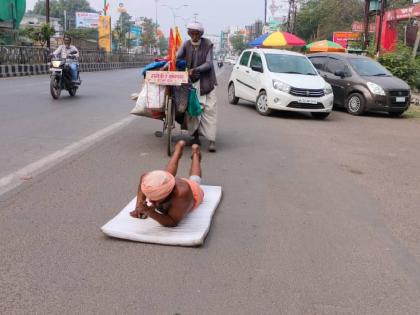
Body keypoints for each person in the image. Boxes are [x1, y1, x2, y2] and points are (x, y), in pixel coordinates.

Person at [130, 141, 204, 227]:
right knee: (165, 175)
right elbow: (143, 181)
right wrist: (138, 207)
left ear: (168, 194)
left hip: (193, 190)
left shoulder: (182, 195)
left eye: (156, 200)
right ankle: (177, 151)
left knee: (195, 180)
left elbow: (173, 221)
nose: (151, 201)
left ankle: (196, 154)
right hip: (169, 183)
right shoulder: (147, 179)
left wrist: (150, 212)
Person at [176, 21, 218, 152]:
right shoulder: (186, 44)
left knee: (210, 110)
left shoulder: (207, 44)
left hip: (206, 82)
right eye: (192, 33)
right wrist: (173, 63)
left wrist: (195, 69)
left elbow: (209, 63)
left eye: (196, 33)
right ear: (189, 33)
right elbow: (177, 58)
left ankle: (212, 141)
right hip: (191, 81)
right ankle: (195, 137)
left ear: (200, 34)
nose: (194, 35)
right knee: (192, 111)